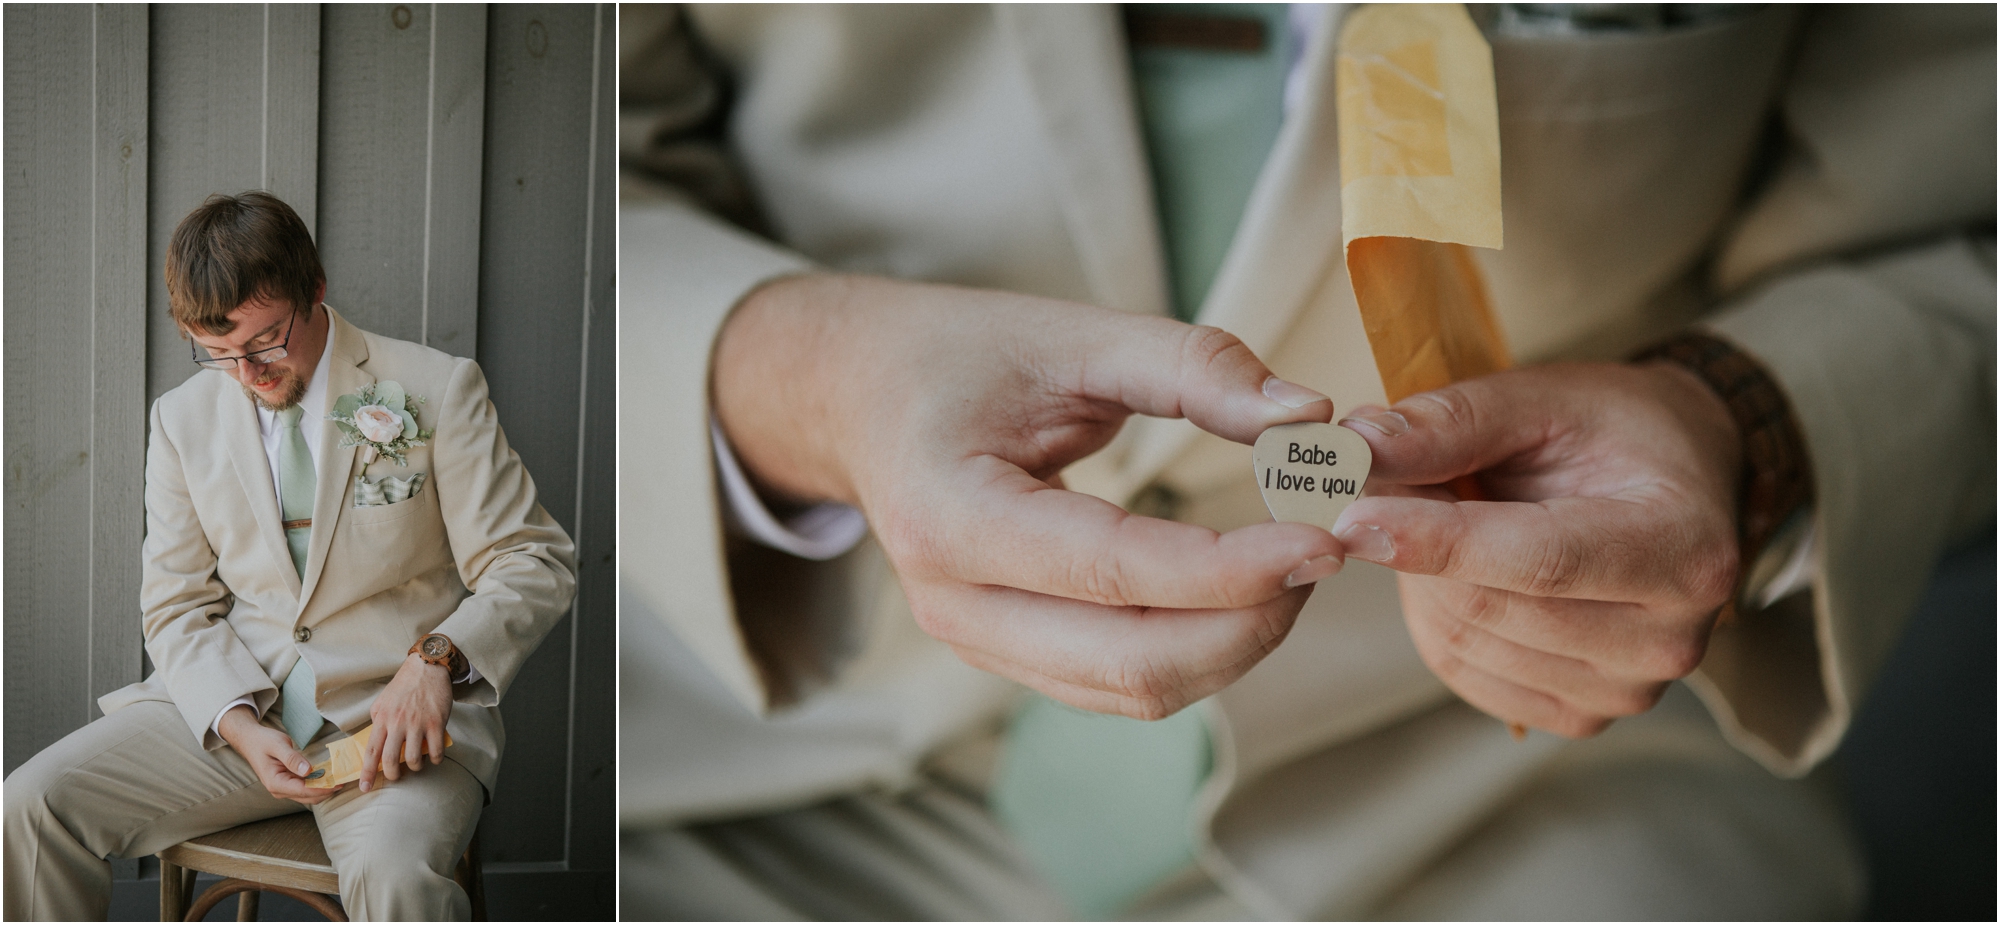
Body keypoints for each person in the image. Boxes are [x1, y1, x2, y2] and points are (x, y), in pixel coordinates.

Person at [618, 4, 1993, 918]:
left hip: (1500, 772)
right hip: (758, 760)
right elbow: (528, 179)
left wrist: (1738, 416)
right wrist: (809, 381)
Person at [3, 192, 577, 921]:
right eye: (218, 353)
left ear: (316, 289)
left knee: (395, 880)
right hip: (239, 713)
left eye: (267, 340)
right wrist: (239, 723)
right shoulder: (181, 420)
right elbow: (177, 603)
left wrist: (436, 657)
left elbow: (532, 558)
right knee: (29, 804)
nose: (247, 373)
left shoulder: (437, 389)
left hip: (395, 732)